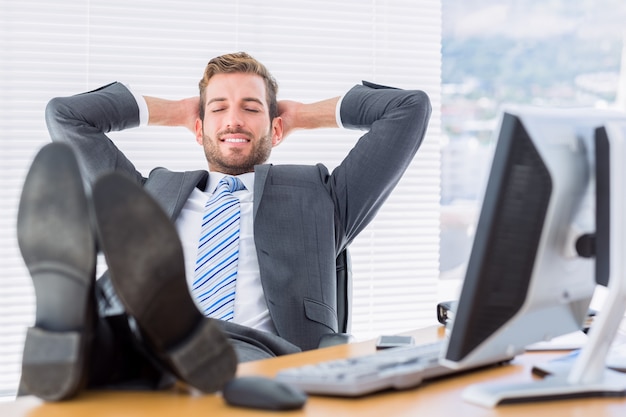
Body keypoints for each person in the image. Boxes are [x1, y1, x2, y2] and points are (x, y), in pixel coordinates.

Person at [16, 52, 432, 401]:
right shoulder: (150, 193)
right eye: (217, 109)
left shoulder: (323, 195)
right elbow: (66, 115)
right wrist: (175, 112)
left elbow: (408, 108)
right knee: (89, 354)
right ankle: (78, 324)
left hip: (259, 353)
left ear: (275, 125)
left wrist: (304, 115)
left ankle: (172, 334)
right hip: (142, 345)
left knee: (218, 358)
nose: (234, 120)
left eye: (252, 108)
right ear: (199, 128)